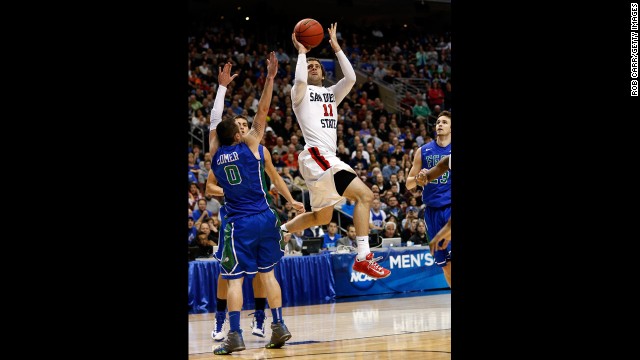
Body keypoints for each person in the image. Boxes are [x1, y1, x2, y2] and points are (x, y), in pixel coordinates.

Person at [208, 54, 304, 355]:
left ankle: (234, 334)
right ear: (239, 135)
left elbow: (214, 121)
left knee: (235, 280)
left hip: (239, 223)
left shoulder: (214, 155)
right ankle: (278, 326)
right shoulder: (253, 148)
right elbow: (262, 110)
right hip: (266, 218)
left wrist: (221, 89)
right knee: (268, 275)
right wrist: (271, 78)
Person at [279, 22, 390, 279]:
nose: (313, 67)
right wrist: (301, 53)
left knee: (321, 217)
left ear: (323, 72)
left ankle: (281, 231)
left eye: (316, 65)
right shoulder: (300, 94)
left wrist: (337, 48)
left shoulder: (330, 94)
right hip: (317, 155)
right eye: (309, 66)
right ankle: (363, 257)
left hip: (323, 158)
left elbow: (350, 78)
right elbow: (298, 79)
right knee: (364, 195)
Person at [406, 113, 451, 287]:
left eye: (445, 122)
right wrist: (418, 178)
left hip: (449, 207)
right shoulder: (423, 151)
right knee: (445, 266)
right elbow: (409, 184)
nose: (440, 124)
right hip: (431, 211)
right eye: (438, 122)